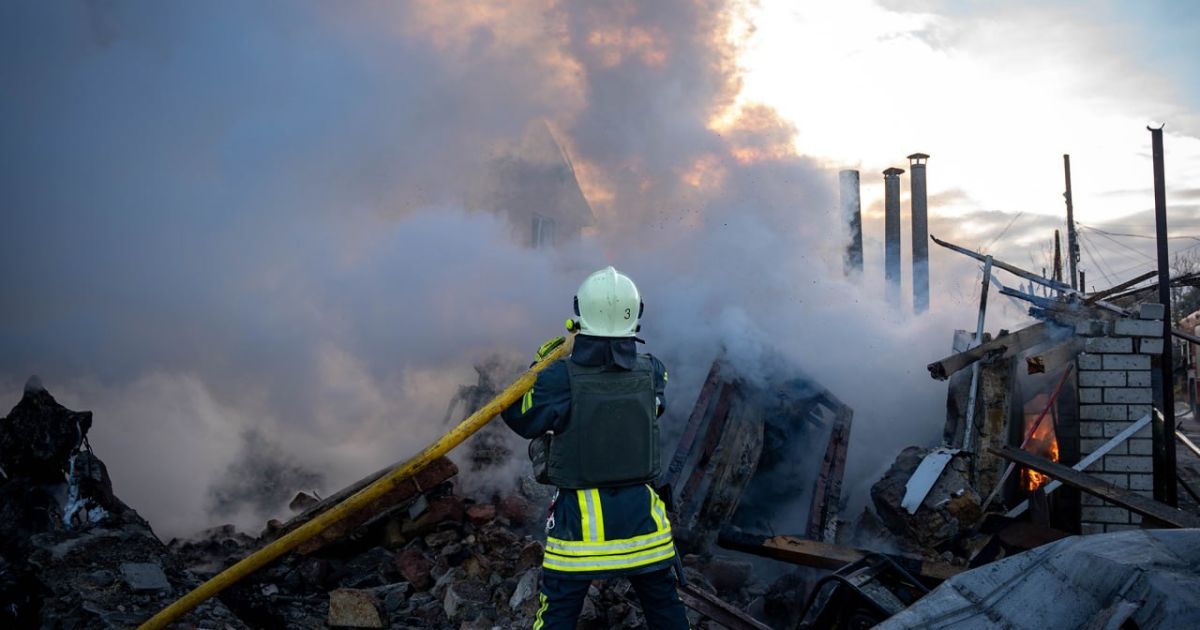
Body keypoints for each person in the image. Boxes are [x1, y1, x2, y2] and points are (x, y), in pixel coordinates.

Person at [501, 266, 690, 630]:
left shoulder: (559, 378)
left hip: (580, 534)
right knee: (667, 612)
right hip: (644, 530)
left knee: (556, 617)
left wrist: (545, 360)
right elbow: (654, 408)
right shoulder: (653, 370)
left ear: (578, 313)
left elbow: (520, 416)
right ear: (636, 315)